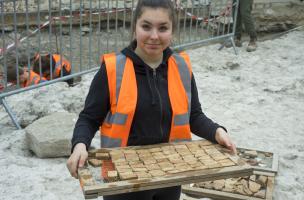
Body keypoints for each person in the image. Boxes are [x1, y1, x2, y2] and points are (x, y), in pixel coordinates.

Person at [67, 0, 236, 199]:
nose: (154, 36)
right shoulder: (112, 70)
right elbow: (89, 118)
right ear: (135, 27)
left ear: (172, 31)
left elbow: (194, 116)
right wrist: (80, 144)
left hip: (170, 174)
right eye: (146, 26)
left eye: (163, 28)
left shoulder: (181, 67)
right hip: (121, 180)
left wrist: (216, 131)